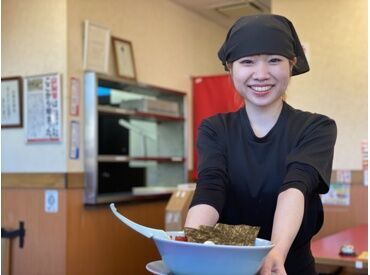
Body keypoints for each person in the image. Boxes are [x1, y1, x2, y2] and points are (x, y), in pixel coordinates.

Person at [184, 14, 337, 275]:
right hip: (227, 266)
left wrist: (275, 252)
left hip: (290, 266)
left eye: (274, 60)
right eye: (247, 62)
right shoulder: (215, 129)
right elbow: (210, 187)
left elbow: (295, 189)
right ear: (231, 68)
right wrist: (190, 248)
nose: (261, 74)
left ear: (292, 64)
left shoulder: (316, 127)